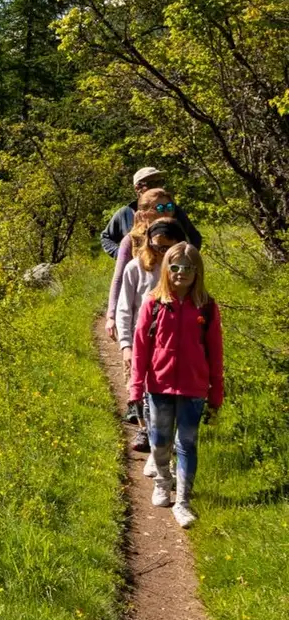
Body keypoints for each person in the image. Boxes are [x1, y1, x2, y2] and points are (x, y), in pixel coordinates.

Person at [128, 243, 223, 529]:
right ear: (166, 269)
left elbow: (215, 353)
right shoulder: (153, 303)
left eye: (188, 268)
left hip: (194, 389)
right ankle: (162, 480)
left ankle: (182, 501)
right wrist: (135, 390)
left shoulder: (207, 306)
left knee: (187, 444)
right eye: (175, 267)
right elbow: (140, 349)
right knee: (159, 440)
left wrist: (216, 392)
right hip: (159, 385)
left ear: (198, 271)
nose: (181, 273)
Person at [116, 219, 186, 452]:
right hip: (141, 340)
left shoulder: (183, 272)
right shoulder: (135, 268)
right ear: (148, 243)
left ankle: (166, 438)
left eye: (167, 248)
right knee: (140, 390)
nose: (161, 252)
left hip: (172, 344)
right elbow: (124, 308)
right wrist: (126, 344)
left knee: (162, 395)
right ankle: (145, 430)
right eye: (156, 246)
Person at [106, 187, 176, 343]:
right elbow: (119, 278)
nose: (166, 212)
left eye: (169, 207)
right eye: (160, 208)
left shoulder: (178, 237)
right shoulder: (131, 241)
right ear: (144, 213)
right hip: (141, 324)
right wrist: (111, 315)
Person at [101, 167, 201, 258]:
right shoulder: (125, 213)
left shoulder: (172, 209)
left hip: (171, 272)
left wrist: (187, 257)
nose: (158, 187)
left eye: (160, 182)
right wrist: (121, 253)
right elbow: (106, 237)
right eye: (152, 184)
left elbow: (194, 236)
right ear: (137, 188)